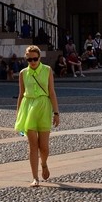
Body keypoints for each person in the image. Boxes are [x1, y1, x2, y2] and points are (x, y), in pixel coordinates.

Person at [14, 45, 60, 186]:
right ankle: (35, 178)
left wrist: (56, 112)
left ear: (39, 58)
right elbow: (21, 94)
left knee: (44, 147)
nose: (32, 62)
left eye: (35, 59)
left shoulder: (47, 70)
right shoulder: (23, 73)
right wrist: (18, 114)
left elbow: (51, 92)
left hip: (44, 107)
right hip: (28, 108)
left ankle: (44, 163)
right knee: (33, 145)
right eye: (29, 59)